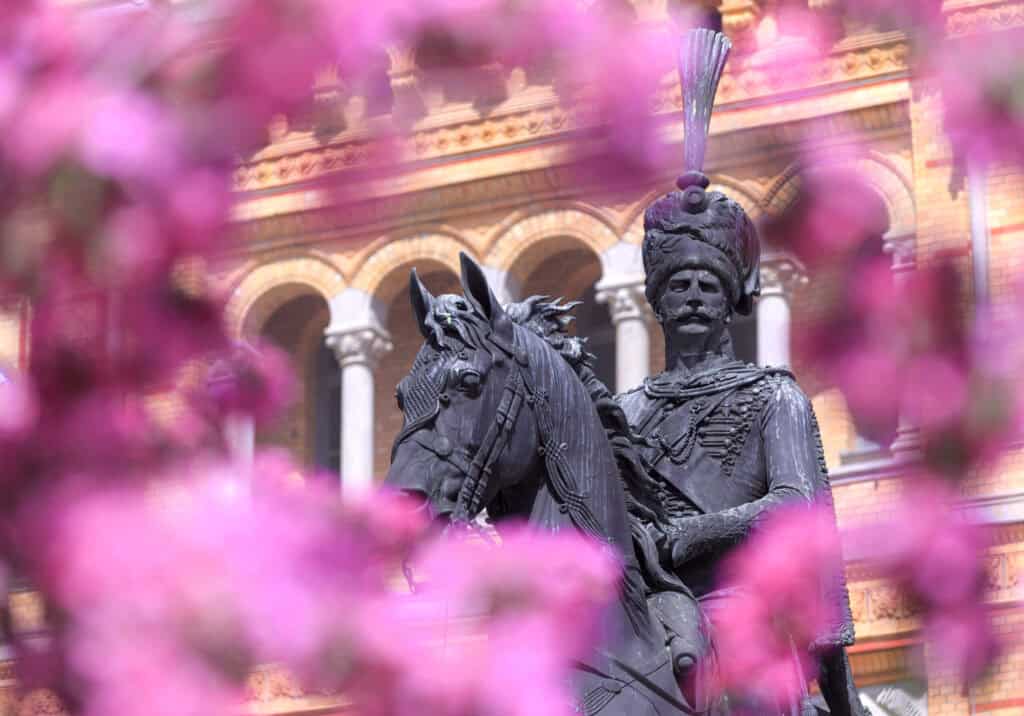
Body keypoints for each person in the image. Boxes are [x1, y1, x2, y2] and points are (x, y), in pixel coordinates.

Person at [612, 169, 864, 714]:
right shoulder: (627, 411)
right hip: (656, 604)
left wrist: (698, 532)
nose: (695, 297)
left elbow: (796, 499)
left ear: (729, 301)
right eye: (680, 285)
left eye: (710, 286)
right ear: (657, 302)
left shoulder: (775, 395)